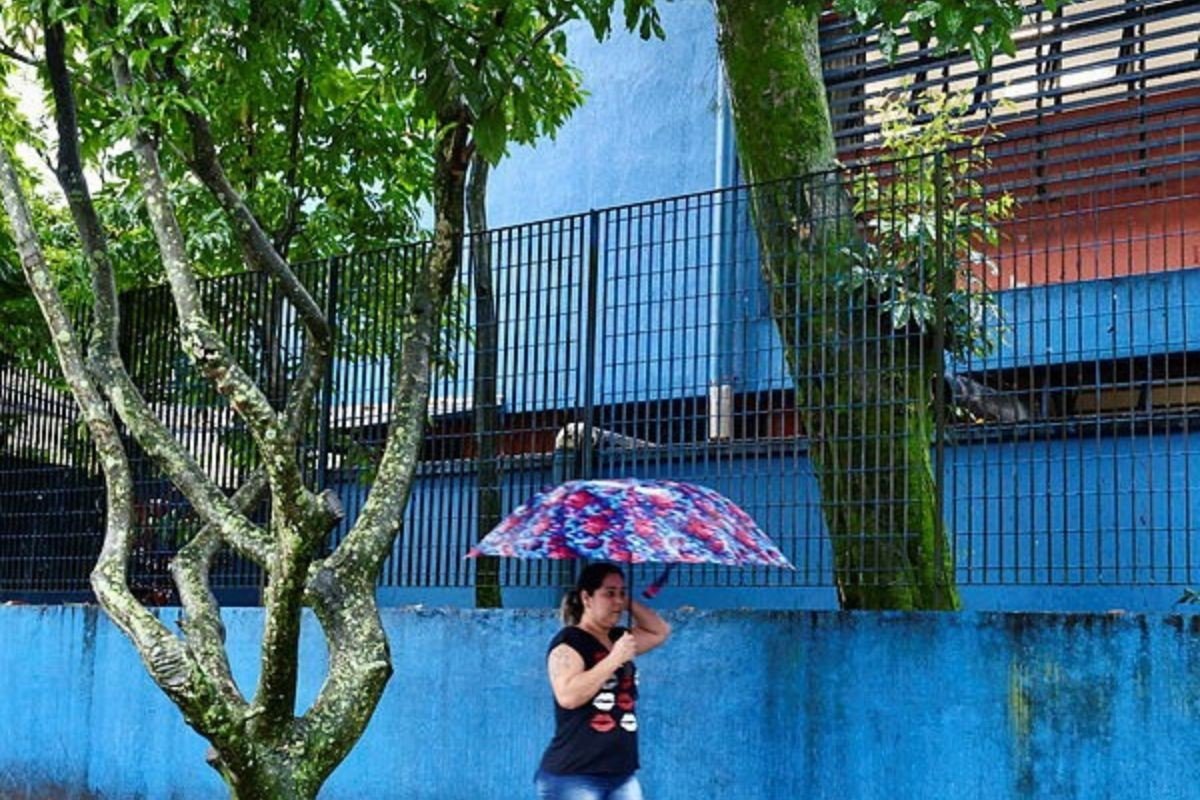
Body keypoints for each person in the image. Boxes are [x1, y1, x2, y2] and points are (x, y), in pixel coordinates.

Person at [535, 562, 672, 800]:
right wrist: (615, 658)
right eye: (609, 594)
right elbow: (568, 696)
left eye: (621, 592)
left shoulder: (619, 637)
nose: (617, 602)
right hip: (575, 775)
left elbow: (659, 631)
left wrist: (627, 602)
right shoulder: (569, 642)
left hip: (621, 772)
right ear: (587, 598)